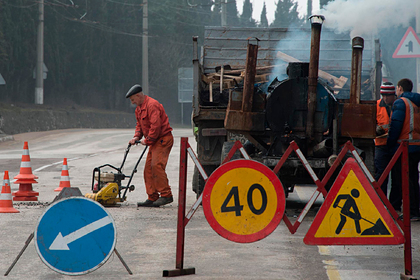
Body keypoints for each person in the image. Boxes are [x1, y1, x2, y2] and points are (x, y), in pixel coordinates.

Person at [126, 84, 174, 207]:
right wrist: (136, 137)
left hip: (163, 139)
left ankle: (166, 195)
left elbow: (156, 126)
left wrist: (147, 140)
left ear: (138, 95)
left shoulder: (152, 105)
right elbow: (139, 125)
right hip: (155, 141)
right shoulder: (139, 109)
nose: (132, 103)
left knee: (156, 166)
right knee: (148, 169)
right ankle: (152, 197)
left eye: (133, 100)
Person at [387, 78, 420, 220]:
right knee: (413, 178)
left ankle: (409, 212)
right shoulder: (416, 103)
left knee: (403, 180)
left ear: (400, 88)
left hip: (404, 146)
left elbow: (396, 126)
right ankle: (414, 210)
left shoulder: (401, 103)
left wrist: (389, 144)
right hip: (416, 146)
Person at [374, 82, 397, 197]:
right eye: (383, 95)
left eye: (388, 95)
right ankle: (380, 201)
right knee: (381, 174)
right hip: (381, 145)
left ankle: (394, 205)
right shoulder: (377, 105)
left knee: (397, 177)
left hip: (395, 145)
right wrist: (375, 128)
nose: (385, 98)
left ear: (394, 95)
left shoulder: (399, 105)